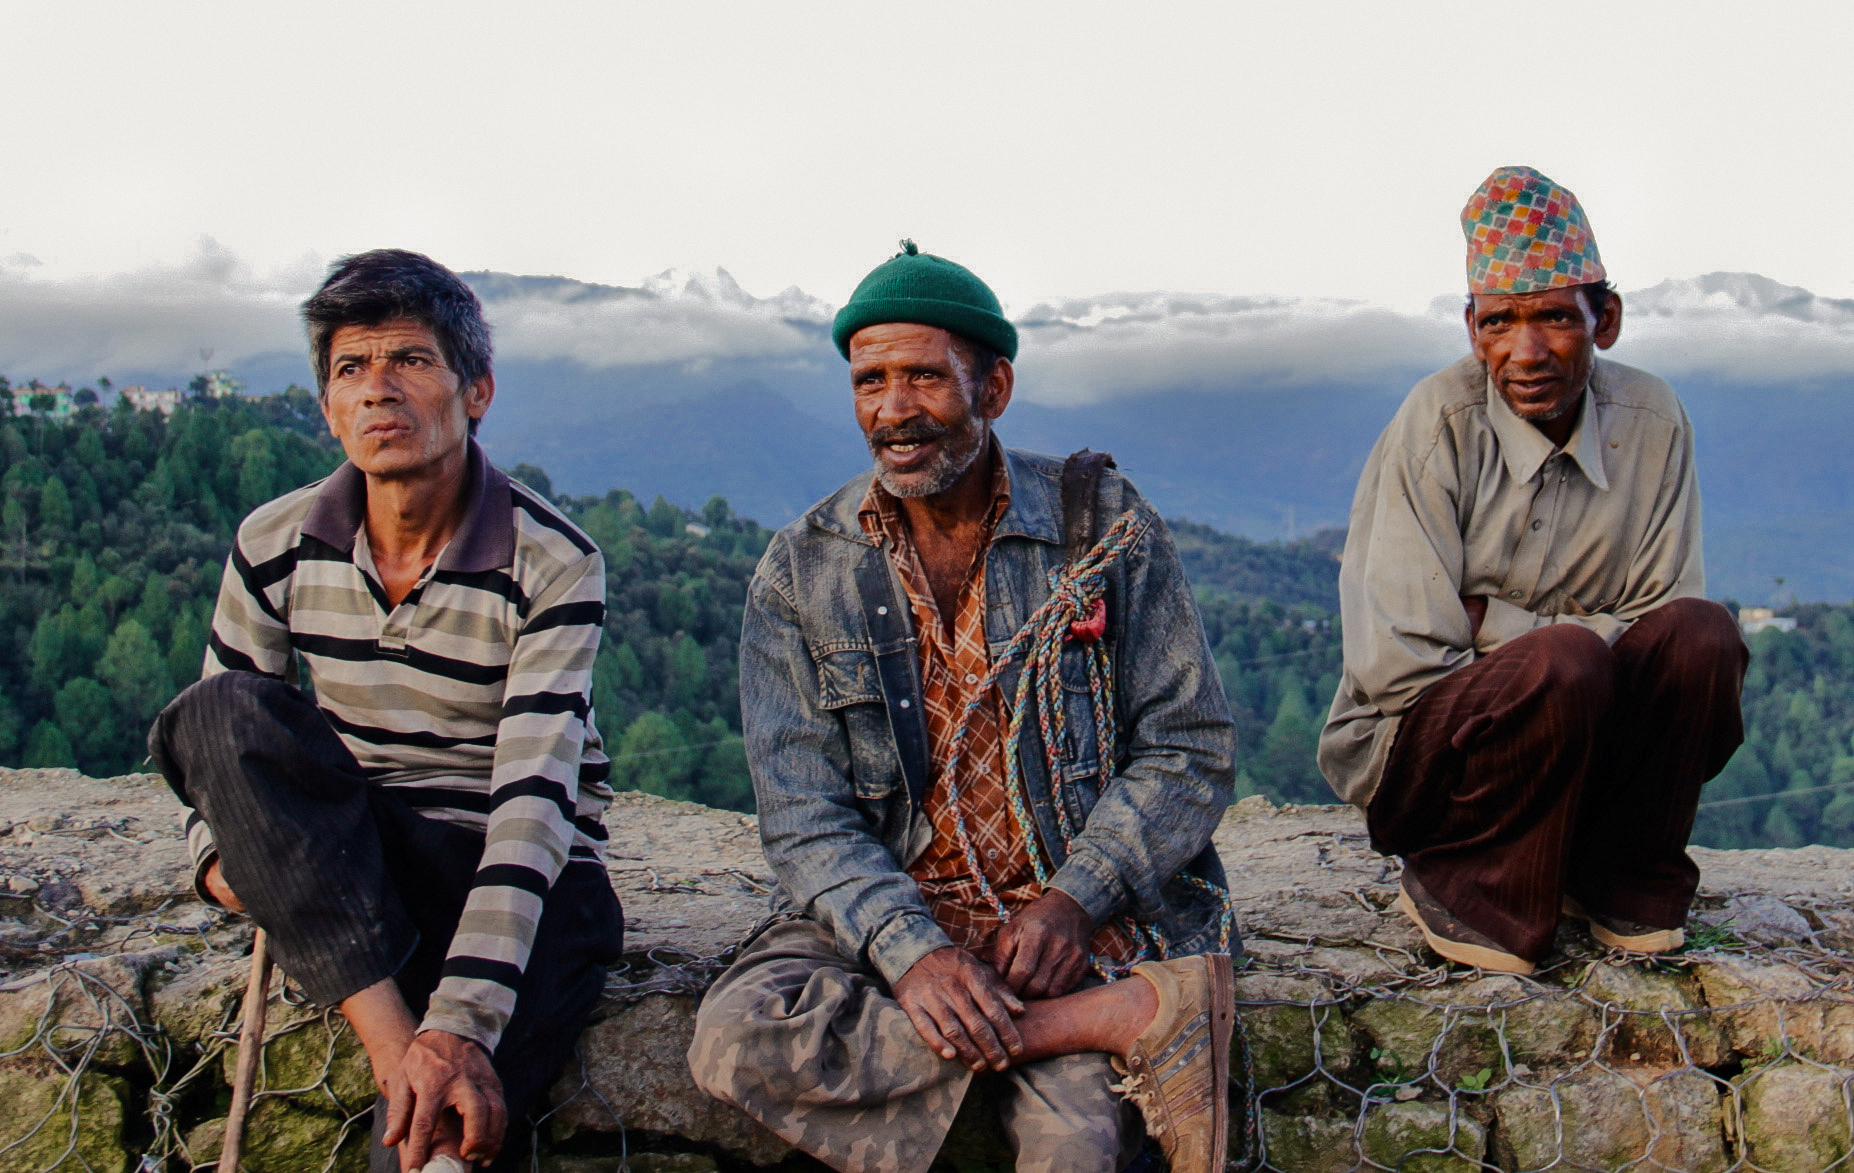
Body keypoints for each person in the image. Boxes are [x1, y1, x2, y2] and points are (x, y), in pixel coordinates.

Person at [686, 242, 1239, 1173]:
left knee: (1078, 1146)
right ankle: (1108, 1022)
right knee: (734, 1036)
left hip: (1066, 927)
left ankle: (1080, 1008)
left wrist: (1076, 897)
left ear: (994, 388)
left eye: (924, 378)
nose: (894, 411)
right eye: (870, 381)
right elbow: (803, 815)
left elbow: (1189, 745)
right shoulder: (803, 569)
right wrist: (911, 953)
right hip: (904, 912)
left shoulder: (1098, 525)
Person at [147, 250, 622, 1172]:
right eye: (350, 369)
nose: (378, 392)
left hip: (522, 871)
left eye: (409, 360)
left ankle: (418, 1078)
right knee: (217, 708)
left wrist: (459, 1028)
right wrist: (220, 863)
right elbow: (221, 754)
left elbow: (531, 810)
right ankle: (394, 1045)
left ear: (475, 389)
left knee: (432, 1144)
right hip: (365, 857)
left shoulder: (554, 563)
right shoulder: (274, 542)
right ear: (326, 407)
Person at [1320, 167, 1748, 975]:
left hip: (1579, 742)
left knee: (1703, 638)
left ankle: (1620, 876)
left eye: (1555, 318)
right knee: (1570, 661)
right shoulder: (1436, 424)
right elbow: (1401, 663)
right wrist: (1571, 652)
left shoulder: (1653, 423)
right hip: (1422, 759)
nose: (1526, 351)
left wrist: (1504, 626)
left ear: (1605, 320)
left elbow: (1665, 618)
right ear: (1471, 327)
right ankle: (1470, 883)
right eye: (1500, 322)